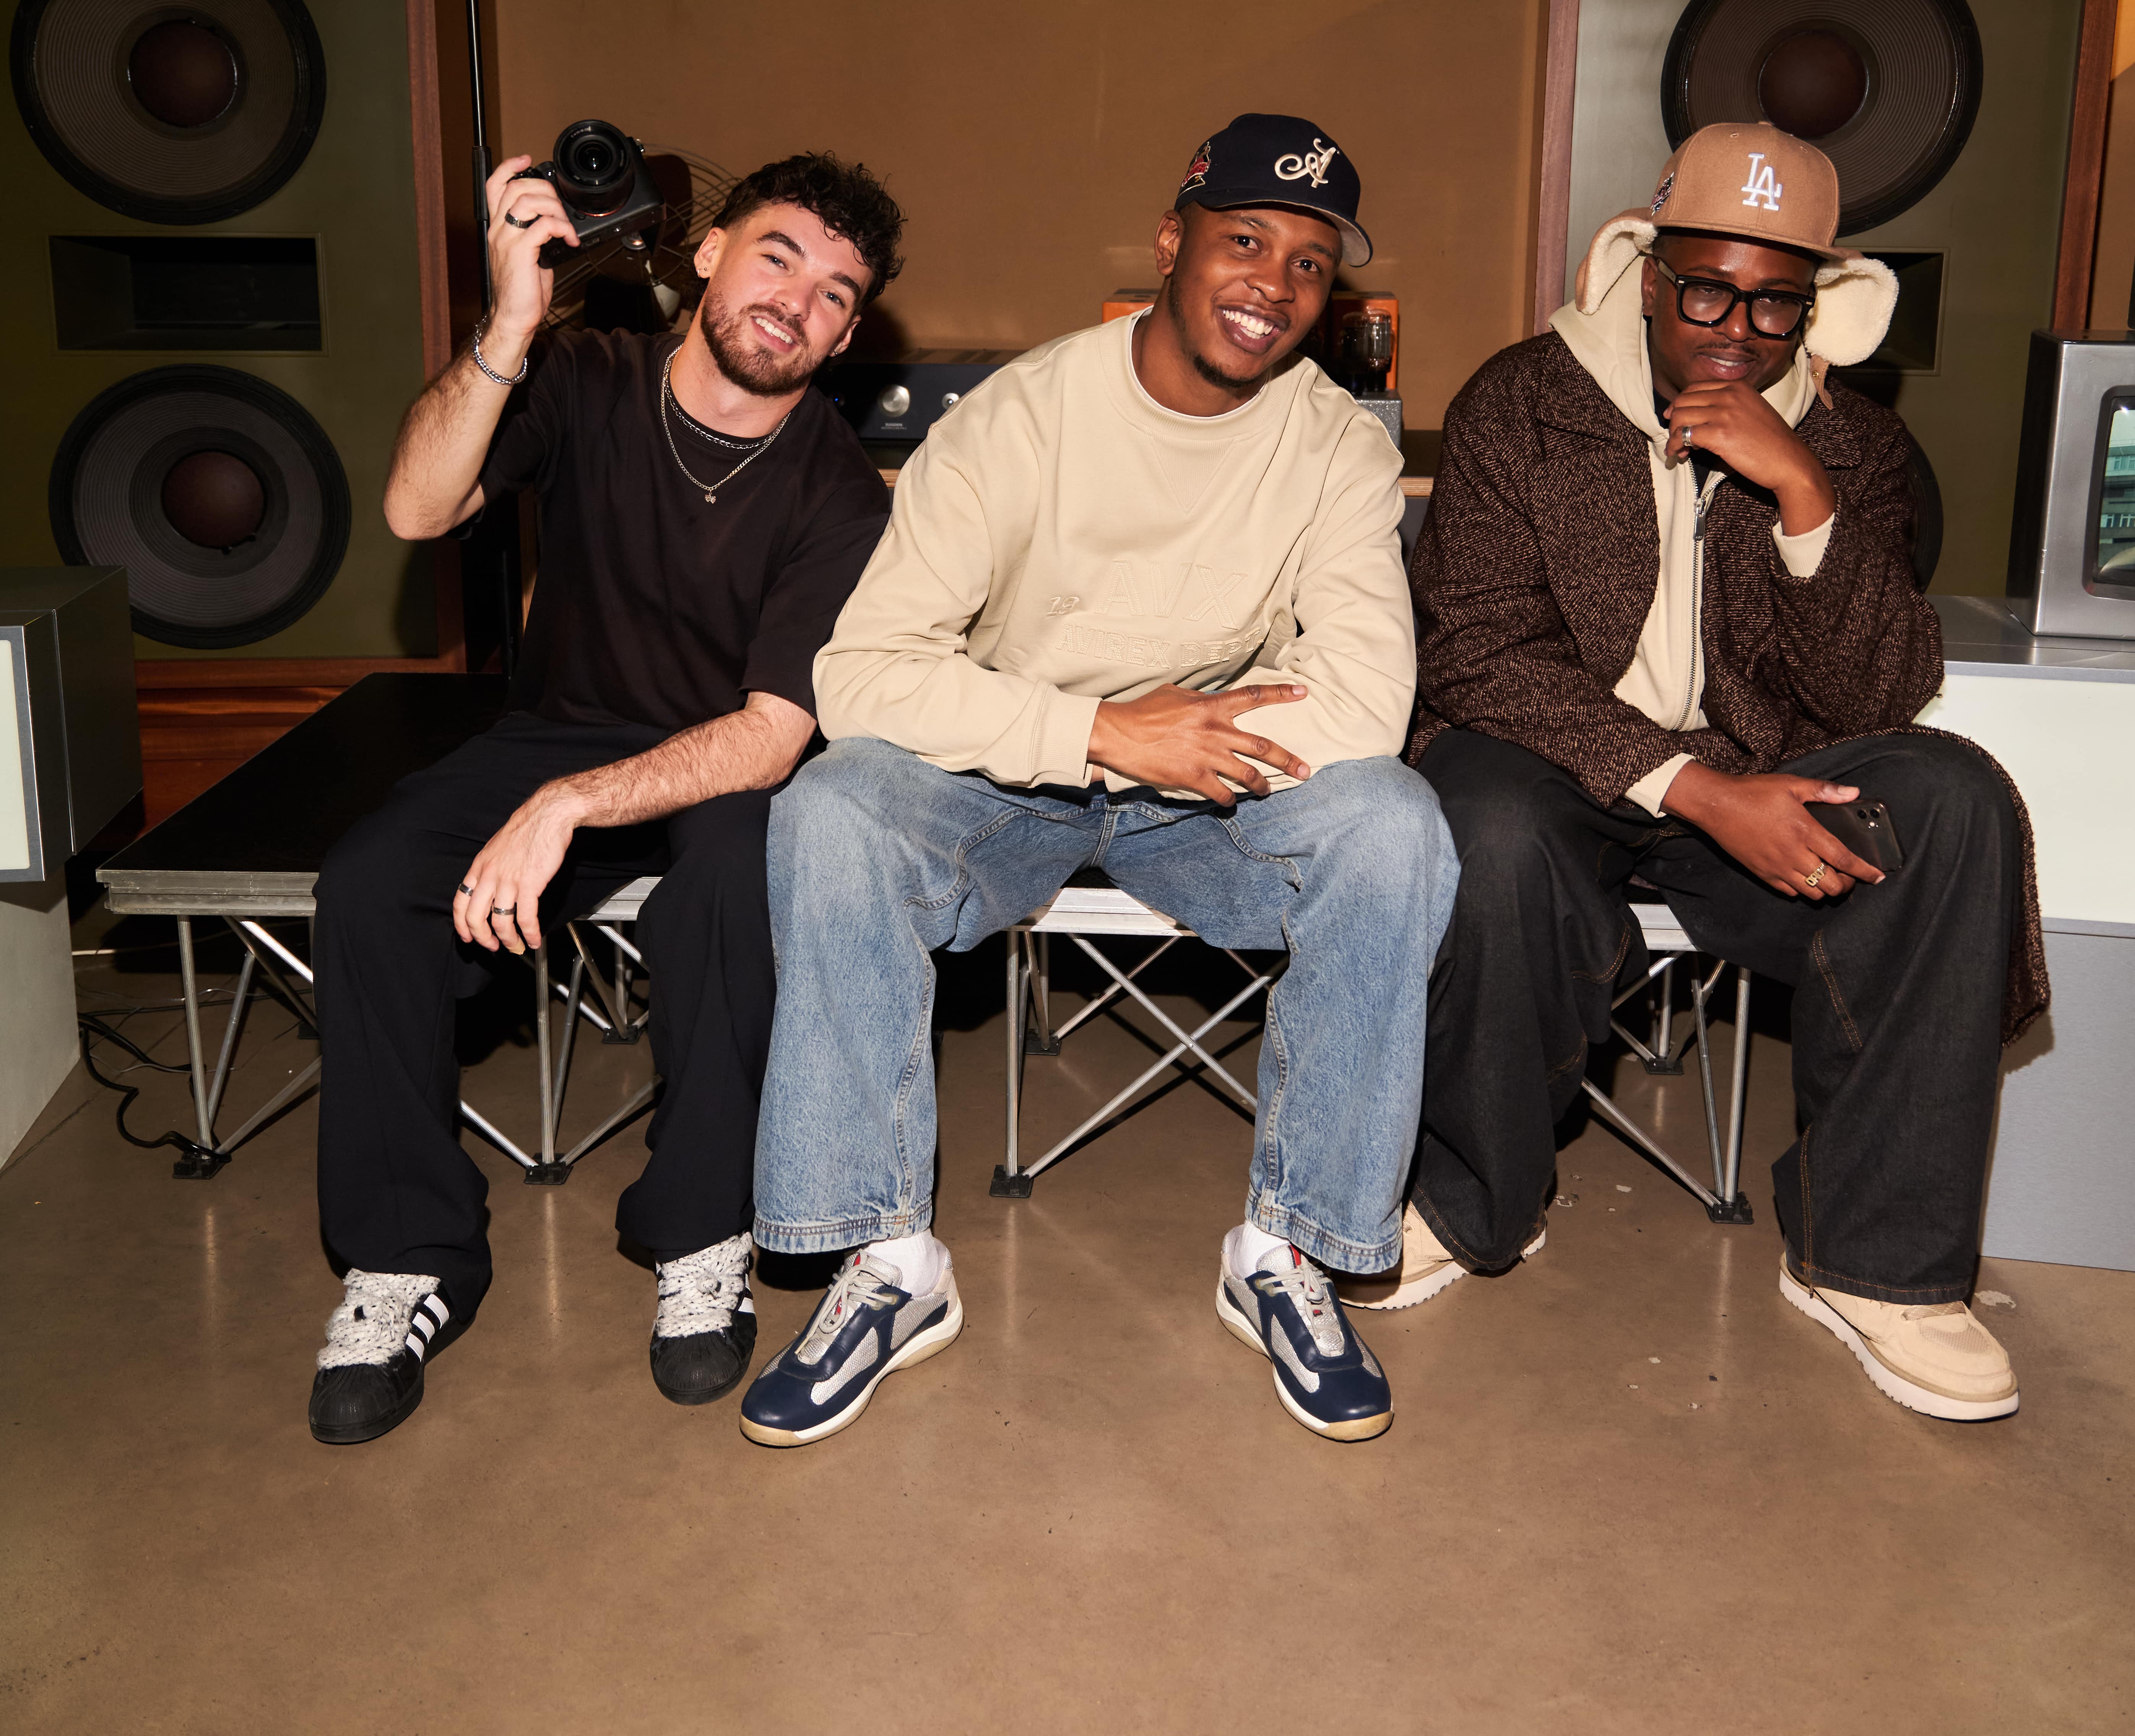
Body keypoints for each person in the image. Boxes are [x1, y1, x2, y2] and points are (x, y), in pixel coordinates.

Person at [735, 114, 1460, 1452]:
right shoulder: (1020, 418)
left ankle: (1291, 1251)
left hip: (1217, 785)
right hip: (1013, 772)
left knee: (1395, 828)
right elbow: (867, 676)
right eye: (1245, 241)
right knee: (830, 810)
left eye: (1309, 264)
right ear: (1173, 242)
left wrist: (1184, 747)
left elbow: (1370, 703)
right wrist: (1102, 733)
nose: (1273, 285)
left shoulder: (1336, 448)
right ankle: (884, 1265)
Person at [1381, 117, 2046, 1423]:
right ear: (1642, 268)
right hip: (1556, 766)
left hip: (1765, 778)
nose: (1735, 328)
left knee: (1954, 797)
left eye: (1775, 302)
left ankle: (1881, 1265)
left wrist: (1806, 498)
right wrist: (1687, 788)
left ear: (1817, 309)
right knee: (1484, 820)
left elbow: (1879, 696)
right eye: (1704, 287)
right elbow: (1475, 658)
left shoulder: (1855, 447)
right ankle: (1469, 1199)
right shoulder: (1524, 401)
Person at [305, 147, 902, 1445]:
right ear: (708, 255)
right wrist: (511, 322)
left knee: (741, 878)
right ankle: (407, 1256)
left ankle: (701, 1232)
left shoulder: (843, 493)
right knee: (366, 882)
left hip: (727, 755)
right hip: (560, 727)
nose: (798, 302)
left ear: (849, 336)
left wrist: (572, 807)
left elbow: (767, 734)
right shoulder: (581, 374)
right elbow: (417, 505)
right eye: (778, 256)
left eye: (838, 295)